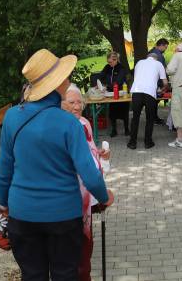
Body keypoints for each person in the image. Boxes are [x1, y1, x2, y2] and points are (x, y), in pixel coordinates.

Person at [0, 49, 111, 280]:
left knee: (32, 275)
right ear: (58, 83)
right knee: (66, 275)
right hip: (63, 217)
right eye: (64, 75)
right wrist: (104, 196)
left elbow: (3, 171)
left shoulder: (11, 117)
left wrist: (4, 203)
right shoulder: (69, 123)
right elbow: (89, 173)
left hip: (22, 214)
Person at [62, 84, 111, 281]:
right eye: (72, 102)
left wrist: (101, 156)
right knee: (75, 256)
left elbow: (89, 156)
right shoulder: (64, 127)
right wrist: (104, 195)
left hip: (87, 196)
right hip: (71, 198)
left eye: (79, 102)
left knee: (84, 252)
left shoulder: (84, 124)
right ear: (62, 104)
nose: (77, 106)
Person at [129, 53, 168, 149]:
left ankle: (132, 143)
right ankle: (148, 142)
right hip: (150, 93)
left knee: (135, 118)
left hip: (136, 91)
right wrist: (163, 89)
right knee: (150, 118)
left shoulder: (139, 63)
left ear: (147, 57)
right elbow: (165, 82)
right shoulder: (159, 64)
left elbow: (138, 77)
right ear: (155, 58)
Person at [99, 51, 129, 137]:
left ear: (116, 60)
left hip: (121, 92)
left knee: (124, 112)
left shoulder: (121, 68)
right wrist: (103, 84)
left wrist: (108, 86)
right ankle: (114, 130)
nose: (109, 64)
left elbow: (119, 81)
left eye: (111, 62)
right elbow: (101, 76)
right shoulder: (107, 67)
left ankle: (127, 129)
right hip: (111, 93)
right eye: (108, 62)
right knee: (112, 113)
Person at [149, 38, 169, 125]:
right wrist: (164, 83)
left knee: (154, 101)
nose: (165, 49)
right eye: (165, 47)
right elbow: (162, 70)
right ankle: (153, 119)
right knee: (154, 101)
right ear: (161, 45)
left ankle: (154, 118)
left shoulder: (151, 52)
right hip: (156, 82)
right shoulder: (158, 55)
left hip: (151, 81)